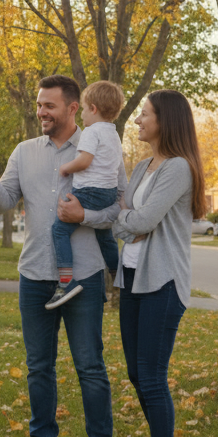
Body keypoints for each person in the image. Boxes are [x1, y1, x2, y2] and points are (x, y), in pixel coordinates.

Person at [0, 75, 121, 437]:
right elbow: (3, 202)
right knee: (39, 366)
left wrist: (84, 216)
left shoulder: (101, 145)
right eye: (39, 105)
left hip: (83, 277)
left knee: (90, 366)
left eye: (49, 106)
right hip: (35, 274)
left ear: (74, 108)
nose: (41, 112)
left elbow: (117, 207)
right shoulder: (24, 151)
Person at [58, 89, 204, 437]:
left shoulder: (178, 169)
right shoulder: (140, 166)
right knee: (138, 376)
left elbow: (144, 218)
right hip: (133, 280)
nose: (137, 120)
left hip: (163, 282)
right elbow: (122, 217)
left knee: (153, 378)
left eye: (145, 114)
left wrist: (128, 220)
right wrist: (128, 221)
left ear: (166, 121)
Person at [47, 80, 125, 309]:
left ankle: (66, 281)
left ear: (93, 108)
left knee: (59, 229)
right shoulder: (114, 133)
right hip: (108, 193)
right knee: (104, 235)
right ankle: (117, 272)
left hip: (89, 191)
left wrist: (66, 167)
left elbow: (85, 160)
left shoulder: (91, 132)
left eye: (83, 109)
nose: (82, 115)